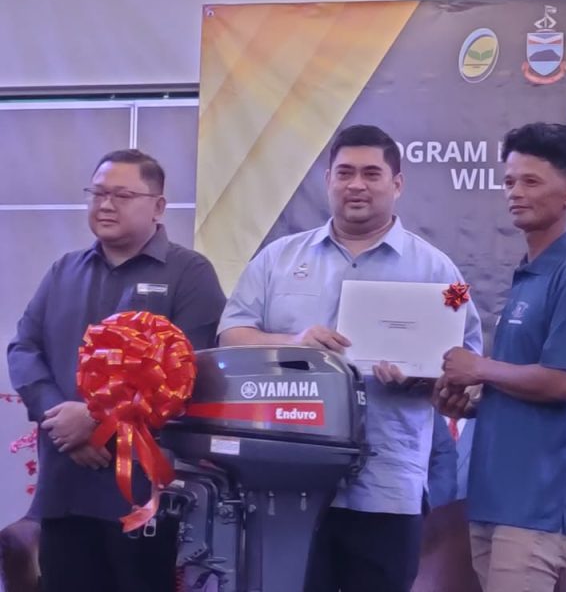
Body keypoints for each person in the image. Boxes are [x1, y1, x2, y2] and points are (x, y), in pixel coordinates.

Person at [217, 124, 483, 592]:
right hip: (284, 483)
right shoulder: (276, 259)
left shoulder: (442, 272)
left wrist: (422, 377)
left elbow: (468, 364)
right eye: (344, 173)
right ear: (328, 180)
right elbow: (230, 336)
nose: (356, 184)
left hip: (387, 485)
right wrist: (294, 342)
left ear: (397, 184)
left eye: (371, 174)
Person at [7, 149, 226, 592]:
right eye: (98, 193)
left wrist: (95, 422)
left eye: (122, 195)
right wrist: (59, 418)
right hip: (66, 482)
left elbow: (188, 371)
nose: (106, 205)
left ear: (158, 206)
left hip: (142, 491)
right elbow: (23, 349)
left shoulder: (189, 273)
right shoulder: (65, 270)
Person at [436, 122, 566, 592]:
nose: (515, 192)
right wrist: (472, 400)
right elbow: (517, 380)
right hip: (495, 497)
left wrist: (479, 368)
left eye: (531, 181)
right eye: (509, 181)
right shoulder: (528, 273)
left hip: (540, 505)